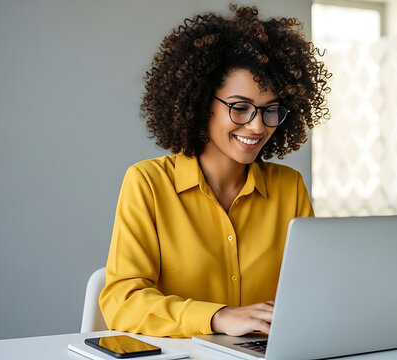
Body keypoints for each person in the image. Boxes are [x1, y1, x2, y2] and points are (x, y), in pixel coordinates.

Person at [99, 4, 330, 338]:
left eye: (270, 111)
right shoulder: (148, 183)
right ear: (201, 102)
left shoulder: (289, 187)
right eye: (240, 108)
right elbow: (122, 302)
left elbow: (313, 289)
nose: (256, 126)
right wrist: (218, 317)